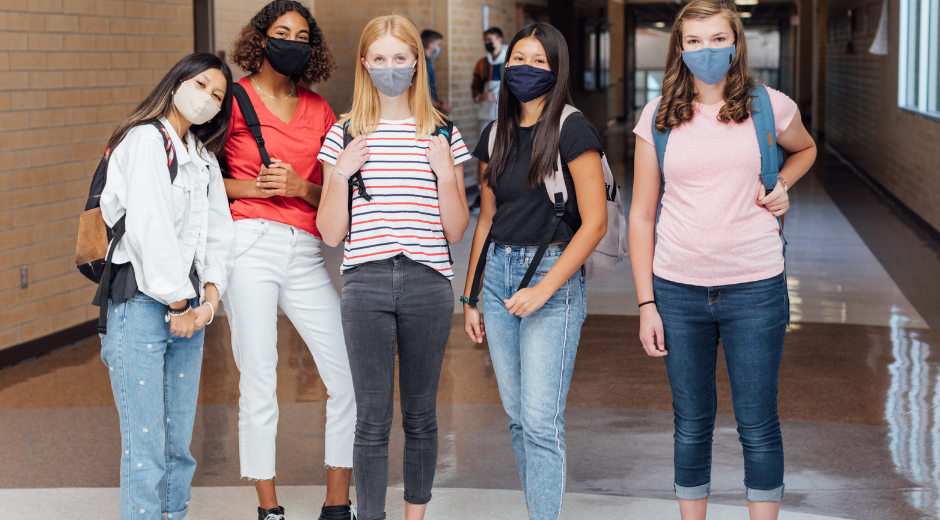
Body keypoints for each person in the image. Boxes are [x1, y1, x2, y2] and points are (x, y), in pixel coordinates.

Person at [628, 0, 817, 519]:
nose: (706, 50)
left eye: (717, 39)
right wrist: (647, 302)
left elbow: (805, 150)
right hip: (677, 289)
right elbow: (642, 215)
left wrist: (782, 186)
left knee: (757, 423)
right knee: (691, 422)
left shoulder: (769, 105)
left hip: (755, 286)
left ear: (736, 43)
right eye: (694, 41)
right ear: (680, 48)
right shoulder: (659, 114)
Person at [316, 14, 471, 520]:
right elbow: (332, 233)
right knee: (372, 418)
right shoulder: (345, 133)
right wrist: (342, 172)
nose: (390, 67)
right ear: (364, 64)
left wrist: (446, 175)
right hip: (366, 284)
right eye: (379, 59)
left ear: (417, 63)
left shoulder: (441, 131)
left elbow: (454, 230)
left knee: (423, 415)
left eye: (400, 58)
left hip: (428, 283)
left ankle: (414, 515)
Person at [462, 23, 608, 520]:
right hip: (499, 273)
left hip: (552, 277)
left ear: (556, 70)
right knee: (519, 419)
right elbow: (486, 219)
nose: (525, 69)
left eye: (538, 62)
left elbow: (594, 224)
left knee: (542, 421)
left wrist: (544, 290)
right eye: (518, 59)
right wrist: (471, 297)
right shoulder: (495, 132)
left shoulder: (572, 129)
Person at [221, 2, 358, 520]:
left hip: (304, 251)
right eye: (282, 33)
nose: (292, 42)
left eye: (302, 36)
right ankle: (269, 509)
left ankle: (337, 503)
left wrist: (302, 186)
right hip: (249, 244)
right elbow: (200, 177)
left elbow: (334, 191)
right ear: (260, 39)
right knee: (259, 379)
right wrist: (251, 185)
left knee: (345, 376)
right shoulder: (231, 99)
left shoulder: (320, 109)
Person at [97, 52, 235, 520]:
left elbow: (220, 234)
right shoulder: (144, 141)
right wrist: (179, 303)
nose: (208, 99)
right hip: (139, 305)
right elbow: (149, 228)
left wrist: (207, 304)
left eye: (217, 96)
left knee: (179, 447)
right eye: (201, 85)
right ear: (177, 83)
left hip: (189, 312)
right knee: (146, 448)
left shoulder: (202, 158)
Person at [471, 27, 506, 127]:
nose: (487, 43)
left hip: (505, 112)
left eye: (490, 40)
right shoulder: (482, 63)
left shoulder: (510, 61)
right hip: (486, 113)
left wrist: (496, 97)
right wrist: (479, 96)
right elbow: (476, 86)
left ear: (500, 40)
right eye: (485, 40)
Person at [420, 28, 452, 115]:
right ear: (431, 46)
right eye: (438, 45)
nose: (438, 48)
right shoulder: (424, 64)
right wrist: (439, 106)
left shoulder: (427, 62)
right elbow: (421, 92)